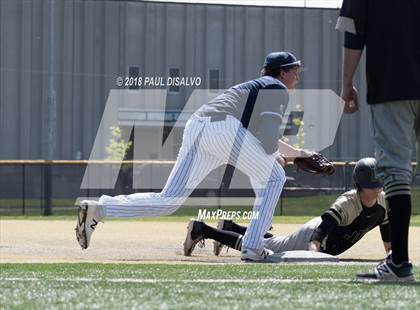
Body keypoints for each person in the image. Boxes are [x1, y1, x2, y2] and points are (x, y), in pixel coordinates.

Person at [76, 51, 309, 262]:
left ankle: (100, 208)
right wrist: (280, 156)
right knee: (275, 177)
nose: (297, 78)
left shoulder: (256, 87)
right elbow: (267, 141)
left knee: (168, 200)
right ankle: (253, 245)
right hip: (224, 130)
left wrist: (299, 154)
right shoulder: (276, 88)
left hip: (199, 126)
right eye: (295, 72)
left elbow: (262, 140)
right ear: (283, 72)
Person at [336, 0, 419, 282]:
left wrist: (347, 82)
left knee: (396, 171)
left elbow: (354, 31)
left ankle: (399, 263)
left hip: (391, 82)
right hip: (392, 82)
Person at [184, 158, 393, 262]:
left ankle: (231, 226)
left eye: (378, 184)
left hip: (319, 236)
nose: (375, 188)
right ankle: (202, 229)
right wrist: (313, 252)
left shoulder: (383, 202)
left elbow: (386, 228)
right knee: (259, 250)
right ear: (360, 184)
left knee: (275, 242)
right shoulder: (348, 203)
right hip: (312, 236)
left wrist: (390, 254)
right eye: (370, 184)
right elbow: (324, 227)